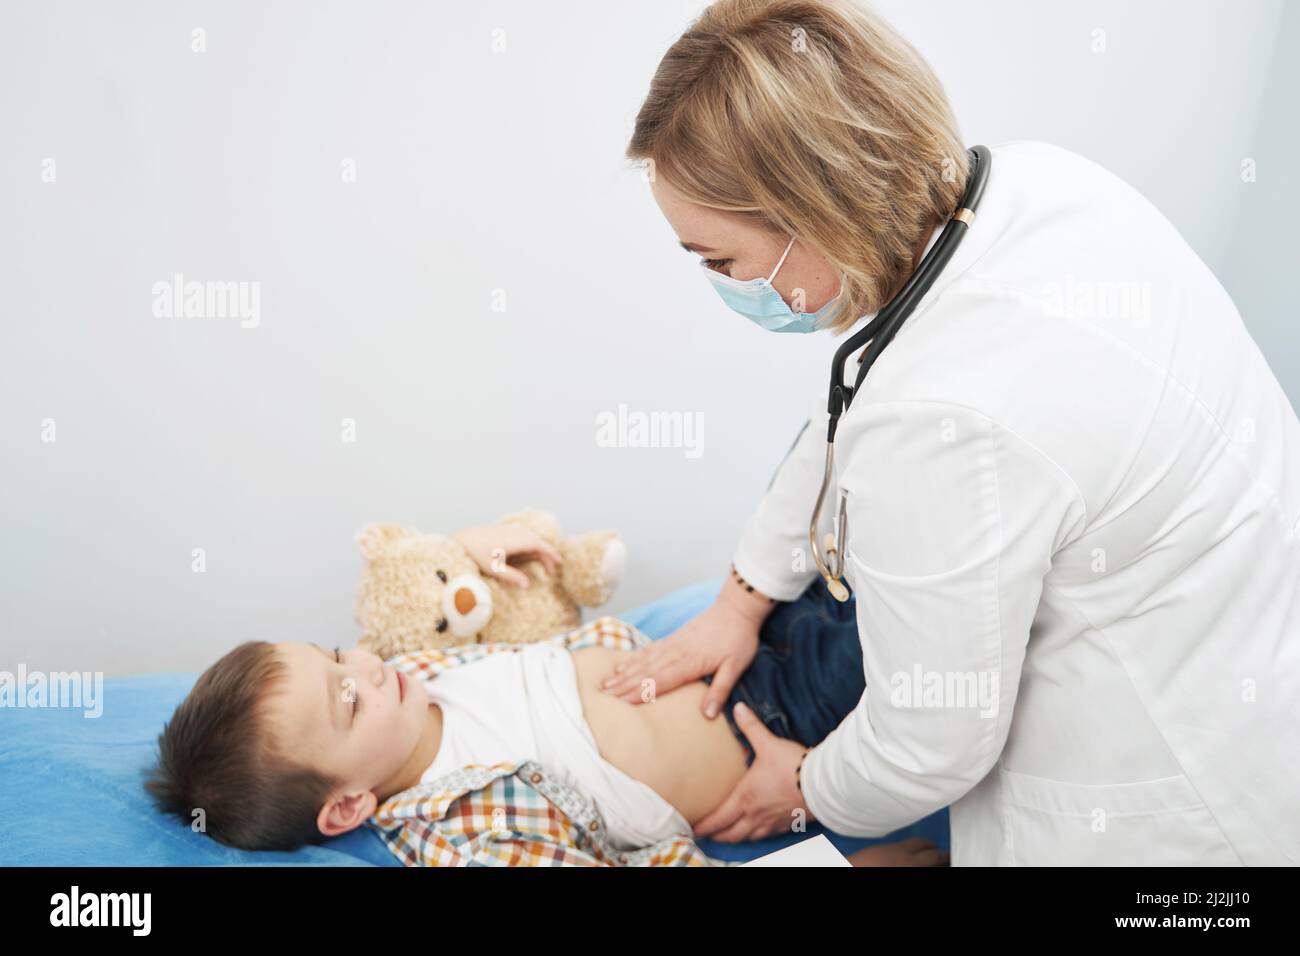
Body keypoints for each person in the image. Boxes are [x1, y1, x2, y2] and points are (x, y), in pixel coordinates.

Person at [605, 0, 1300, 865]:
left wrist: (806, 787)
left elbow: (932, 739)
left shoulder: (946, 418)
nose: (723, 284)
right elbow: (855, 406)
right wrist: (741, 597)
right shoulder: (1041, 187)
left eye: (722, 261)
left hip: (1173, 823)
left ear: (814, 212)